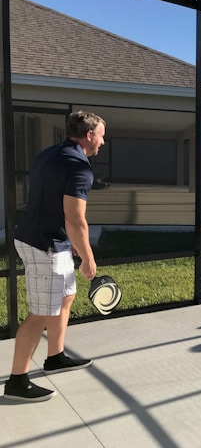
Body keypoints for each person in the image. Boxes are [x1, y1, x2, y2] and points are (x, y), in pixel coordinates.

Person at [4, 111, 105, 402]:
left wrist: (70, 242)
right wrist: (88, 258)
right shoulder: (78, 167)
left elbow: (51, 203)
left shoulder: (49, 154)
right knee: (41, 314)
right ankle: (17, 382)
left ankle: (55, 356)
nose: (103, 141)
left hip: (45, 238)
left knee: (65, 297)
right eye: (101, 135)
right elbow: (75, 219)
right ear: (89, 135)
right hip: (43, 244)